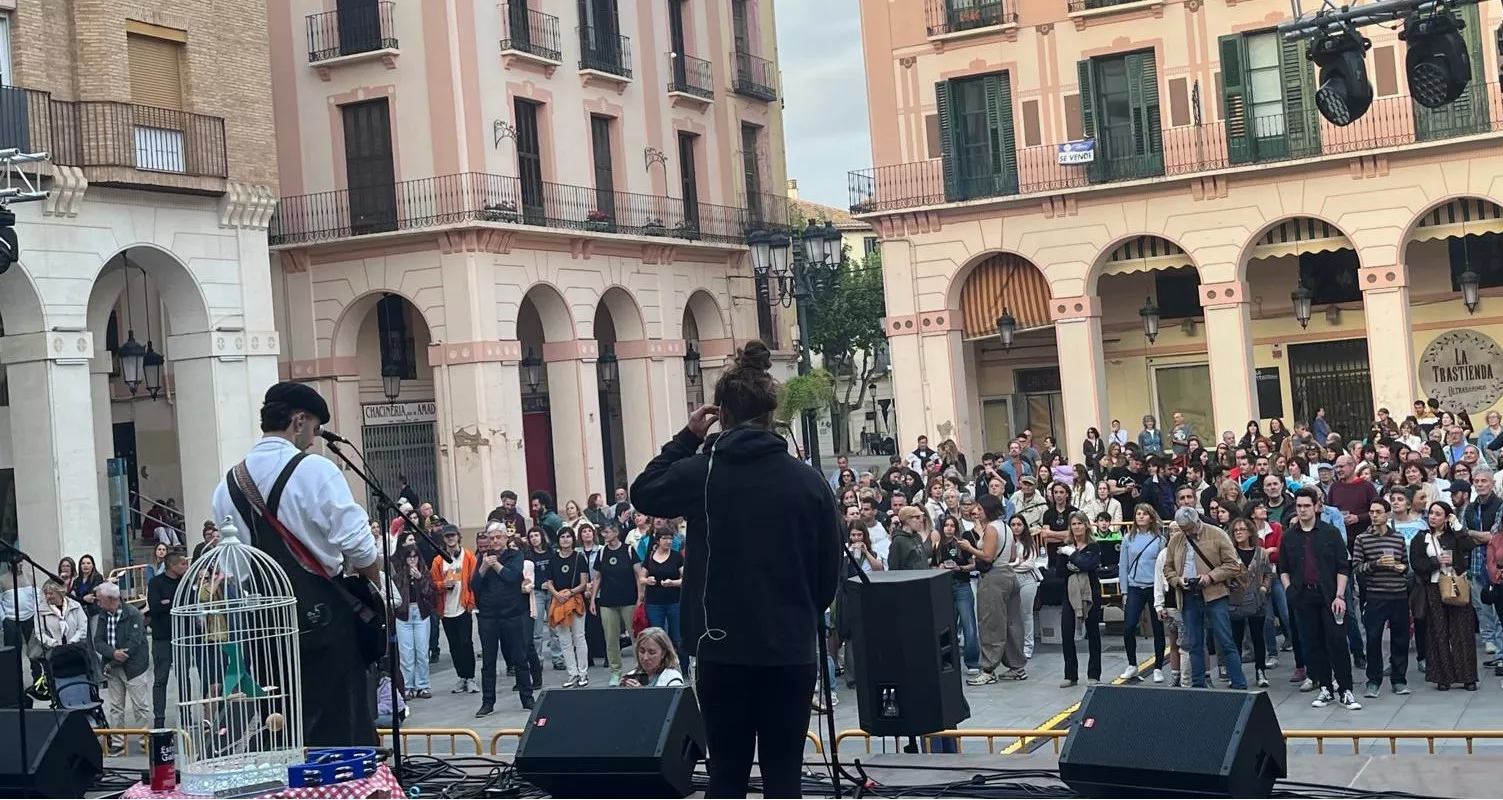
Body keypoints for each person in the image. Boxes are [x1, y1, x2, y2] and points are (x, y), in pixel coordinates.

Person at [630, 340, 842, 800]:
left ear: (720, 414)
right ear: (772, 415)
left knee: (726, 775)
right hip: (789, 650)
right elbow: (829, 579)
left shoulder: (701, 472)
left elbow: (644, 492)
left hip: (721, 649)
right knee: (784, 777)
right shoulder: (809, 482)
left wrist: (686, 438)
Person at [211, 381, 383, 746]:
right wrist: (374, 583)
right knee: (339, 721)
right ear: (299, 420)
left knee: (283, 719)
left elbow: (239, 568)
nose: (315, 438)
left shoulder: (226, 486)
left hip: (264, 621)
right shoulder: (314, 470)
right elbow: (360, 546)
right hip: (322, 617)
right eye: (315, 428)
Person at [1281, 487, 1362, 710]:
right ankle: (1325, 688)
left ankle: (1345, 689)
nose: (1303, 510)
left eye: (1307, 505)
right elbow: (1283, 568)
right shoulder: (1289, 536)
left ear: (1317, 506)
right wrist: (1290, 591)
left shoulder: (1330, 532)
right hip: (1303, 596)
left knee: (1337, 642)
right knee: (1313, 644)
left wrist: (1340, 596)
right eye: (1299, 506)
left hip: (1330, 595)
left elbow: (1342, 566)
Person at [1163, 506, 1248, 691]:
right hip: (1188, 596)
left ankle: (1239, 682)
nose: (1186, 533)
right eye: (1182, 529)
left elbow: (1233, 565)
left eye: (1189, 529)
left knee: (1225, 640)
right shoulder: (1176, 540)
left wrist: (1210, 577)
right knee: (1194, 643)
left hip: (1215, 594)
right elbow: (1167, 568)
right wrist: (1178, 580)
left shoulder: (1216, 534)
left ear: (1197, 522)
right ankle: (1198, 684)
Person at [472, 527, 538, 716]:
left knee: (520, 657)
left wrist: (496, 566)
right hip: (488, 616)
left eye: (498, 537)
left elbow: (512, 577)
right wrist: (484, 567)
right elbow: (474, 585)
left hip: (512, 614)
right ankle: (488, 702)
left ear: (506, 537)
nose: (495, 541)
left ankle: (527, 698)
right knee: (488, 661)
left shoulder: (515, 555)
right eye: (491, 538)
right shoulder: (482, 557)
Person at [1351, 498, 1411, 697]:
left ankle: (1399, 680)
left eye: (1378, 512)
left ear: (1387, 514)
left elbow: (1405, 564)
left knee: (1400, 640)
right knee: (1374, 639)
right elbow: (1357, 568)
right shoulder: (1362, 539)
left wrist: (1402, 568)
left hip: (1398, 594)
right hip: (1376, 595)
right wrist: (1376, 563)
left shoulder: (1398, 538)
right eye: (1371, 512)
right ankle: (1373, 680)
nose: (1374, 515)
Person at [93, 582, 150, 755]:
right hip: (113, 666)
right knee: (116, 707)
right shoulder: (103, 615)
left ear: (111, 599)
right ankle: (118, 742)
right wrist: (112, 653)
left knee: (140, 706)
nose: (98, 603)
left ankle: (144, 739)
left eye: (100, 599)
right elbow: (98, 641)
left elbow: (134, 643)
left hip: (133, 667)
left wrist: (114, 660)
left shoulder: (132, 614)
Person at [431, 523, 478, 694]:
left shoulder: (469, 557)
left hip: (463, 607)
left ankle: (470, 677)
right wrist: (443, 584)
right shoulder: (438, 561)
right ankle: (461, 677)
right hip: (446, 609)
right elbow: (433, 584)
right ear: (443, 539)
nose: (450, 539)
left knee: (466, 643)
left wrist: (471, 603)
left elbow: (474, 581)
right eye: (447, 536)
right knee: (454, 646)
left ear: (458, 536)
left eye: (453, 535)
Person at [545, 527, 591, 687]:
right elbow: (549, 582)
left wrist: (570, 592)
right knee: (564, 640)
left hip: (575, 601)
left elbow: (584, 583)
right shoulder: (553, 559)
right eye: (562, 537)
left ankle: (583, 672)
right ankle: (572, 673)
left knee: (579, 637)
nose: (565, 539)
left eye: (568, 536)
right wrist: (557, 594)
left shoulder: (579, 557)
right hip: (558, 602)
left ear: (573, 539)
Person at [146, 552, 187, 728]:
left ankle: (186, 713)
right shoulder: (156, 582)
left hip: (183, 636)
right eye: (183, 564)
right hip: (162, 637)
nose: (186, 568)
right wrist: (171, 605)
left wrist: (168, 603)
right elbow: (155, 606)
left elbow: (187, 605)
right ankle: (159, 717)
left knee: (184, 677)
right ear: (172, 566)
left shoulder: (185, 583)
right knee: (160, 678)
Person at [621, 626, 686, 688]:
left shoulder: (672, 678)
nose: (645, 657)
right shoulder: (632, 676)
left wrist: (641, 694)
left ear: (663, 653)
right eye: (642, 651)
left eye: (652, 653)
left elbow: (672, 699)